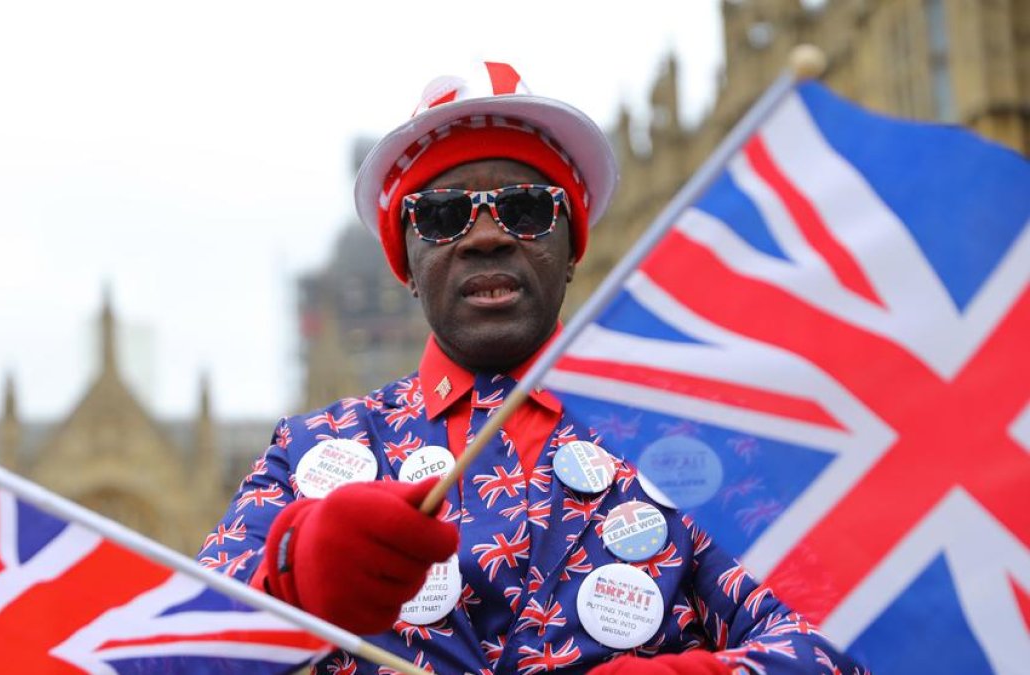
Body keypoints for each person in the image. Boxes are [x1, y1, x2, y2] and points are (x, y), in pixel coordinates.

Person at [200, 62, 865, 674]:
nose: (486, 234)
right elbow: (164, 649)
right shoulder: (309, 455)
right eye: (441, 215)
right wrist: (294, 573)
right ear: (403, 261)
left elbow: (841, 634)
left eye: (524, 208)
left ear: (572, 247)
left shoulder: (696, 440)